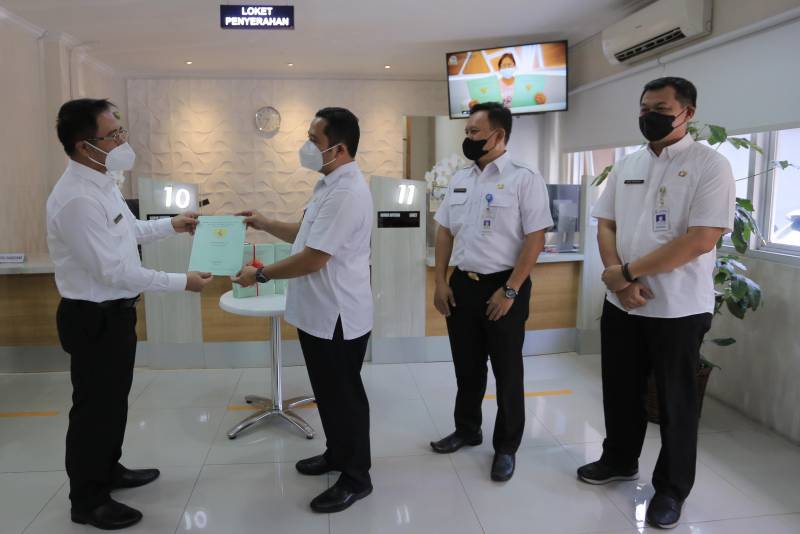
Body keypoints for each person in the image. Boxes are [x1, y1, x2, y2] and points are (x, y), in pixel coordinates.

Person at [46, 98, 213, 530]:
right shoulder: (76, 199)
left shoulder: (102, 182)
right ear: (84, 145)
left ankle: (108, 470)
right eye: (113, 135)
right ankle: (87, 500)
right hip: (92, 317)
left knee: (113, 402)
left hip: (116, 314)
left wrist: (171, 224)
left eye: (121, 131)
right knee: (94, 410)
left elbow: (130, 231)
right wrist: (182, 281)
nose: (122, 141)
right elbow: (114, 271)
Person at [577, 77, 736, 529]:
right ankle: (619, 459)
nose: (650, 116)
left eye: (661, 108)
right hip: (623, 304)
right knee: (620, 389)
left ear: (687, 112)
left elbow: (701, 239)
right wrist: (619, 280)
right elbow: (606, 224)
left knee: (675, 401)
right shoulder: (629, 163)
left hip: (678, 307)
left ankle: (671, 489)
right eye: (645, 108)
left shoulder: (711, 165)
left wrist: (627, 272)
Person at [233, 107, 374, 513]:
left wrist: (260, 274)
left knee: (345, 398)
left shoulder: (347, 193)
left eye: (314, 140)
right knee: (328, 395)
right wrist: (264, 223)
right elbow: (305, 235)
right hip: (318, 313)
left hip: (337, 317)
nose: (306, 146)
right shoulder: (328, 184)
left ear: (339, 149)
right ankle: (336, 454)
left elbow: (313, 258)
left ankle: (356, 477)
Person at [429, 102, 552, 482]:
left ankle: (506, 447)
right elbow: (444, 230)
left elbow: (535, 238)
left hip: (504, 286)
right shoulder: (461, 177)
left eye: (474, 132)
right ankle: (467, 429)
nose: (467, 138)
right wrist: (440, 281)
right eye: (466, 132)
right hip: (463, 285)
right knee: (467, 367)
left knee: (507, 371)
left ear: (498, 135)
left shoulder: (524, 178)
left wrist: (511, 290)